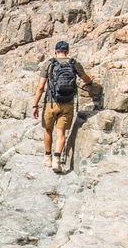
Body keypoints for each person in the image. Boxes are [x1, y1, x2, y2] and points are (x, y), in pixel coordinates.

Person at [31, 40, 94, 173]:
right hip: (68, 103)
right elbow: (85, 79)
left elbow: (41, 87)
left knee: (48, 129)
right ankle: (57, 159)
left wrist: (35, 105)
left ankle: (47, 157)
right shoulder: (73, 63)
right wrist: (90, 80)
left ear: (55, 51)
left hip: (51, 103)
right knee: (61, 132)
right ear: (68, 51)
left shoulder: (49, 63)